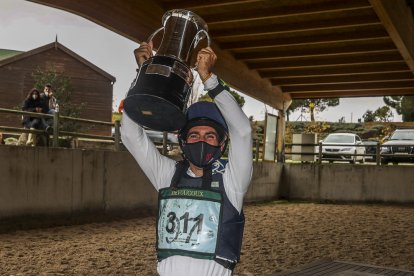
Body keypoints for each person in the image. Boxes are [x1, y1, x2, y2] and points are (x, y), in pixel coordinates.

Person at [121, 42, 253, 276]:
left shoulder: (232, 181)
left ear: (222, 144)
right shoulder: (168, 174)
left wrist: (209, 79)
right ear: (183, 142)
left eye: (210, 135)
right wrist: (143, 77)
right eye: (194, 135)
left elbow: (242, 131)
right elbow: (131, 135)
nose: (201, 140)